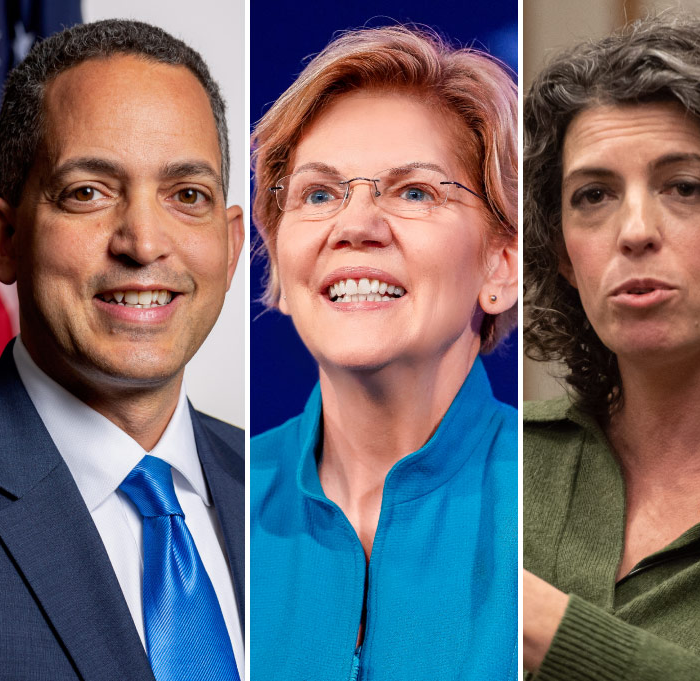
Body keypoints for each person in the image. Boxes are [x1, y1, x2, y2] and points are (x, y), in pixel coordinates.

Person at [0, 19, 245, 681]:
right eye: (88, 192)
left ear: (232, 243)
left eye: (187, 195)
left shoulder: (286, 488)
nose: (144, 242)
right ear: (3, 239)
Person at [523, 17, 700, 680]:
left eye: (684, 187)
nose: (635, 232)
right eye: (593, 195)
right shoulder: (505, 461)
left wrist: (535, 624)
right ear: (560, 251)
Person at [249, 26, 519, 680]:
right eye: (319, 194)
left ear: (501, 265)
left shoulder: (553, 499)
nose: (356, 225)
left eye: (414, 191)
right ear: (281, 268)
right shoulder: (209, 502)